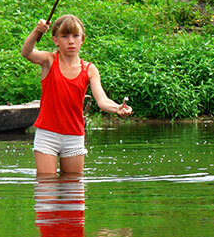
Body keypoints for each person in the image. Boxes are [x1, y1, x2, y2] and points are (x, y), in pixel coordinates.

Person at [22, 15, 132, 176]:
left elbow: (102, 100)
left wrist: (118, 108)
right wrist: (37, 32)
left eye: (75, 36)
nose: (71, 41)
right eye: (65, 36)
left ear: (82, 39)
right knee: (46, 188)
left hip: (74, 136)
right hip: (47, 134)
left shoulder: (89, 69)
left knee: (73, 191)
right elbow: (27, 52)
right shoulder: (49, 60)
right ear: (55, 40)